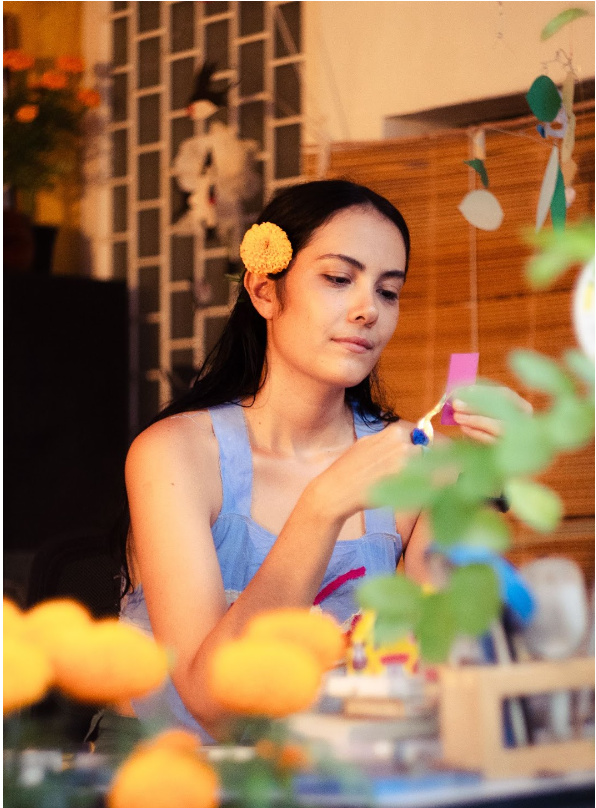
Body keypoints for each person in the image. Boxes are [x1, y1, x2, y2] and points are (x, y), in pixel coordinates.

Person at [114, 180, 512, 745]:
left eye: (389, 291)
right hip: (163, 785)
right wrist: (322, 508)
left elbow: (440, 676)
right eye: (338, 279)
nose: (367, 309)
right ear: (264, 291)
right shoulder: (176, 454)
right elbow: (218, 705)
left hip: (330, 780)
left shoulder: (419, 464)